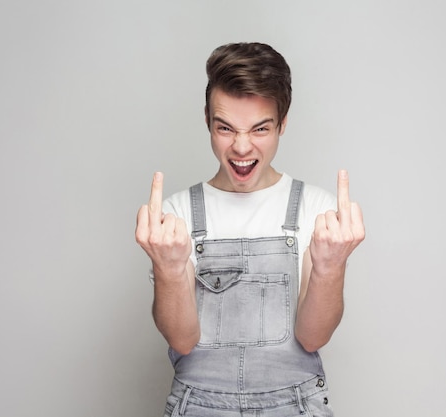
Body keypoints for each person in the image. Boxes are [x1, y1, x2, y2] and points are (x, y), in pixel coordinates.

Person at [136, 42, 365, 417]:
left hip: (294, 407)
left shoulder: (318, 209)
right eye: (225, 128)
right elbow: (181, 339)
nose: (241, 147)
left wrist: (330, 268)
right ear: (207, 119)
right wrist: (169, 269)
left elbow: (313, 337)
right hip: (199, 407)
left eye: (260, 128)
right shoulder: (176, 215)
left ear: (283, 123)